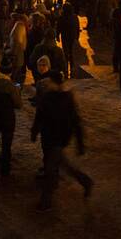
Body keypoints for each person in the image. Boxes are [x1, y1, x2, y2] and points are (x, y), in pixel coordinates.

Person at [31, 71, 92, 211]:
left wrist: (34, 132)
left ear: (53, 82)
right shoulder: (65, 98)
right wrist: (79, 143)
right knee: (63, 165)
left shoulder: (51, 98)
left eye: (49, 81)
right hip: (56, 138)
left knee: (51, 170)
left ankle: (45, 202)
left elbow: (39, 117)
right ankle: (85, 181)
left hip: (54, 139)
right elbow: (76, 121)